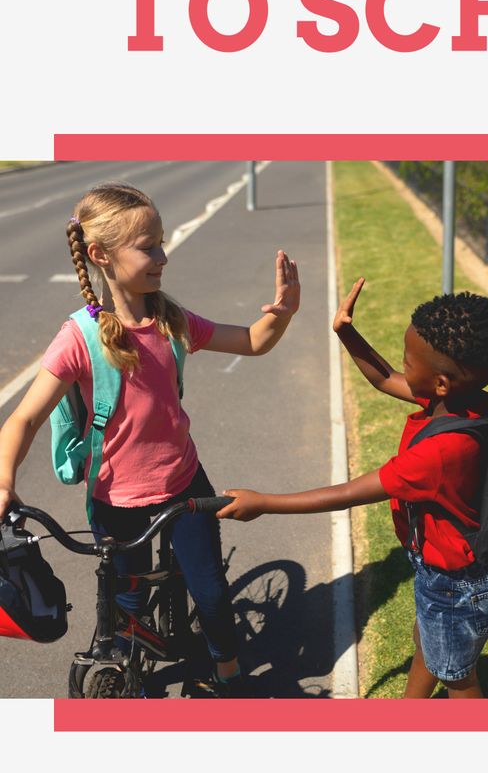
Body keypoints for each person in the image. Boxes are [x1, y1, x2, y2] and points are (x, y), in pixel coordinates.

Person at [0, 182, 300, 696]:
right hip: (115, 499)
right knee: (127, 599)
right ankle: (132, 659)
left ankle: (227, 672)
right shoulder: (80, 337)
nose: (163, 255)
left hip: (184, 487)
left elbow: (251, 341)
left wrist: (283, 312)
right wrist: (3, 480)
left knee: (209, 594)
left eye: (161, 242)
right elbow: (23, 418)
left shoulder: (171, 320)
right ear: (101, 255)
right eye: (148, 246)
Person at [218, 278, 488, 700]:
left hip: (457, 580)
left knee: (456, 675)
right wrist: (346, 332)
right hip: (443, 567)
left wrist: (264, 502)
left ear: (441, 383)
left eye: (407, 360)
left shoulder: (443, 451)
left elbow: (349, 492)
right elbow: (383, 379)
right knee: (429, 643)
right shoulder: (462, 405)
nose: (401, 368)